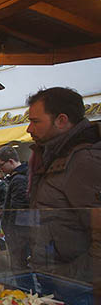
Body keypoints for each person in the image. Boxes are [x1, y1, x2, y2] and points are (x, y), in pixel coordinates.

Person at [26, 87, 101, 283]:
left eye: (35, 121)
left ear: (61, 120)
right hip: (57, 278)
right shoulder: (54, 155)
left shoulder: (84, 160)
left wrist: (69, 279)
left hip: (77, 288)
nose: (29, 129)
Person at [0, 146, 30, 270]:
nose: (1, 169)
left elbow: (18, 210)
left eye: (1, 165)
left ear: (11, 161)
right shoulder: (19, 177)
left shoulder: (18, 180)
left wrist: (11, 232)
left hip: (18, 236)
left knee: (19, 268)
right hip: (19, 235)